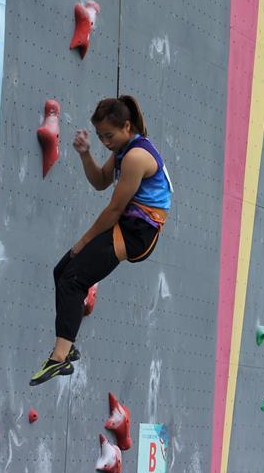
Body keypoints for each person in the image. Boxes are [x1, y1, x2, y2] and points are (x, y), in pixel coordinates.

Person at [30, 95, 172, 386]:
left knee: (74, 279)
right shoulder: (122, 149)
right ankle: (66, 348)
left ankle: (59, 358)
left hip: (139, 232)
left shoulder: (135, 157)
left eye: (109, 136)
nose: (105, 142)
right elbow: (99, 182)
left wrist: (81, 242)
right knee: (61, 272)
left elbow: (114, 209)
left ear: (127, 126)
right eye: (100, 137)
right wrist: (85, 153)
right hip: (128, 221)